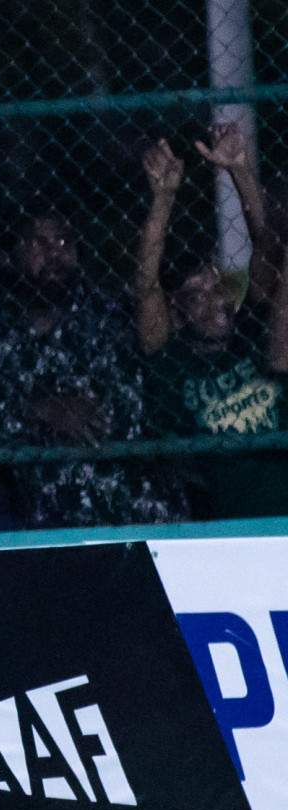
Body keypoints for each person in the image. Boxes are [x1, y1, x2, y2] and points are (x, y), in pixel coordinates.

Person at [0, 209, 185, 529]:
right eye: (39, 243)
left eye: (63, 240)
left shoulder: (109, 313)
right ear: (8, 256)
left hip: (142, 514)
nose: (55, 253)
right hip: (50, 527)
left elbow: (138, 403)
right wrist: (39, 412)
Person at [135, 130, 288, 520]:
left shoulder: (251, 332)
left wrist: (240, 171)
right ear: (177, 307)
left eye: (215, 281)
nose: (216, 296)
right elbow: (147, 284)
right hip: (229, 527)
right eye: (197, 291)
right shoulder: (172, 363)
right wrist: (164, 199)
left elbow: (265, 247)